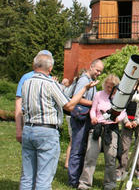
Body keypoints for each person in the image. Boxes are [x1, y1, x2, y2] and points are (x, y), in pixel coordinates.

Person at [20, 53, 98, 190]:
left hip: (28, 129)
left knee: (27, 176)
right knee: (44, 177)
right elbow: (68, 105)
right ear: (50, 68)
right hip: (46, 131)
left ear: (34, 66)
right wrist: (84, 89)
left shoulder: (26, 83)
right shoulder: (50, 83)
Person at [78, 74, 125, 190]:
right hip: (97, 127)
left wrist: (118, 119)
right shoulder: (98, 94)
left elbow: (123, 112)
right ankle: (84, 184)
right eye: (107, 86)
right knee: (90, 156)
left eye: (111, 87)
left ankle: (109, 184)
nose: (109, 89)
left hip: (111, 129)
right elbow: (93, 109)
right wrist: (93, 117)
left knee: (111, 158)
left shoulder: (120, 97)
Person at [68, 59, 104, 188]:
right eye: (97, 70)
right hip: (79, 118)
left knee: (81, 148)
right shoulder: (84, 80)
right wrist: (95, 104)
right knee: (77, 149)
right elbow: (78, 98)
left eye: (101, 71)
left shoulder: (90, 81)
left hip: (85, 117)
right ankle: (73, 180)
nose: (99, 73)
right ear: (91, 67)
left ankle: (76, 177)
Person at [116, 76, 139, 181]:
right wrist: (126, 121)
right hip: (127, 119)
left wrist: (138, 121)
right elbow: (121, 104)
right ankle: (121, 170)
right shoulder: (126, 85)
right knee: (124, 147)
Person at [15, 49, 53, 143]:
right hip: (29, 118)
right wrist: (19, 129)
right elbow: (18, 102)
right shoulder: (27, 77)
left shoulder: (50, 79)